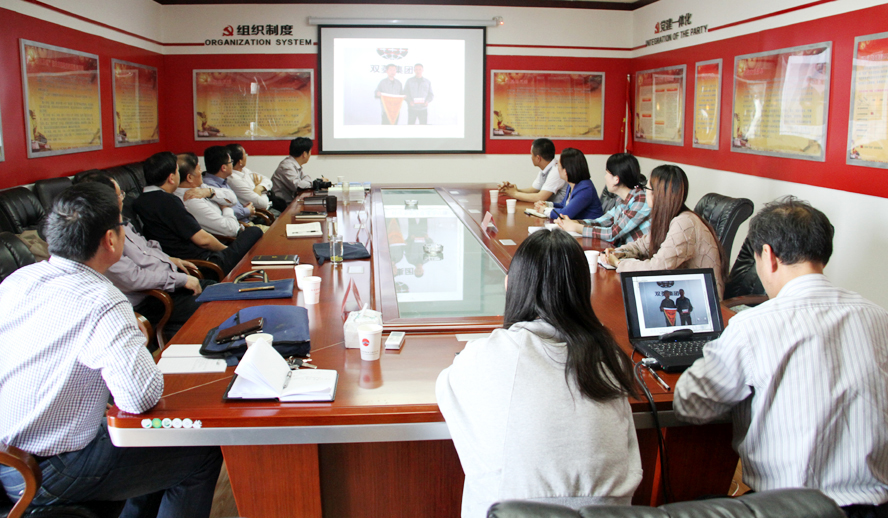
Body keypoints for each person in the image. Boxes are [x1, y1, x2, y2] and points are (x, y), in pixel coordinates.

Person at [0, 183, 222, 517]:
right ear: (110, 239)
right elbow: (139, 398)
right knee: (200, 448)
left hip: (9, 456)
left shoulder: (19, 280)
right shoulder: (102, 299)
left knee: (156, 444)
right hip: (46, 470)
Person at [674, 198, 888, 518]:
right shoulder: (879, 317)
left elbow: (690, 404)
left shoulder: (753, 325)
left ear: (769, 255)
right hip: (875, 508)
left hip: (788, 509)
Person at [436, 229, 642, 518]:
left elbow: (446, 387)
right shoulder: (611, 360)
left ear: (510, 286)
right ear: (584, 290)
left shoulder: (487, 355)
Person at [74, 171, 213, 341]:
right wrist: (180, 279)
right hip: (152, 298)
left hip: (168, 282)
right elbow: (132, 277)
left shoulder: (122, 222)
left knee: (220, 290)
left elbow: (148, 248)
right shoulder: (101, 240)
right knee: (217, 307)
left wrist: (170, 260)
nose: (122, 199)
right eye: (119, 195)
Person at [604, 164, 726, 297]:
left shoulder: (684, 223)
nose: (644, 192)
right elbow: (642, 245)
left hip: (702, 300)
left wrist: (619, 263)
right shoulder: (669, 218)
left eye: (646, 188)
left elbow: (657, 268)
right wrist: (618, 252)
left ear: (658, 194)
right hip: (681, 291)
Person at [134, 151, 262, 276]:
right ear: (171, 178)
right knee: (255, 231)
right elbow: (203, 240)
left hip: (191, 261)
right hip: (206, 264)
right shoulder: (168, 201)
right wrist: (228, 251)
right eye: (177, 172)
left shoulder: (140, 201)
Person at [557, 153, 651, 247]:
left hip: (638, 254)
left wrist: (576, 227)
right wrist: (575, 222)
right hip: (622, 250)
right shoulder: (621, 199)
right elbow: (602, 221)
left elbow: (612, 234)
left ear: (616, 179)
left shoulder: (640, 200)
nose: (605, 177)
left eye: (607, 173)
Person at [176, 153, 243, 238]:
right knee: (255, 231)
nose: (201, 172)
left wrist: (210, 192)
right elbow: (231, 230)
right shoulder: (191, 200)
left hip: (237, 227)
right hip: (229, 240)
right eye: (199, 169)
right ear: (190, 178)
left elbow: (233, 198)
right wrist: (226, 208)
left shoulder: (201, 188)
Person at [533, 148, 603, 221]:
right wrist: (546, 204)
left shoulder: (585, 189)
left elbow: (565, 214)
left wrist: (544, 210)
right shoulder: (572, 184)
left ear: (565, 170)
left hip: (589, 227)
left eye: (558, 165)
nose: (557, 168)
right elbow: (563, 205)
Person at [498, 138, 568, 204]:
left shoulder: (556, 171)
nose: (531, 157)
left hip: (558, 210)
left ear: (538, 158)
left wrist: (514, 194)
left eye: (531, 154)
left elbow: (540, 197)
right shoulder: (545, 169)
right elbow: (533, 190)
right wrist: (515, 190)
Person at [202, 145, 255, 224]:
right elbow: (224, 210)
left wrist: (242, 206)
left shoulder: (222, 180)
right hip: (240, 226)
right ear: (223, 168)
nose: (232, 165)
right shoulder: (210, 185)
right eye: (231, 162)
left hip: (246, 222)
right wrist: (247, 210)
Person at [272, 137, 326, 209]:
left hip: (291, 203)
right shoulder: (286, 166)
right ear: (304, 154)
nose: (310, 155)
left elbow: (306, 178)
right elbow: (298, 185)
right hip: (282, 207)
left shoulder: (294, 165)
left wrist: (315, 182)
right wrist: (316, 183)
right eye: (310, 151)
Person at [226, 143, 274, 211]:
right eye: (245, 154)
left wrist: (259, 188)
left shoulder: (244, 170)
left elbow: (267, 180)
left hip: (268, 207)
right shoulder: (233, 179)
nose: (246, 156)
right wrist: (263, 191)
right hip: (258, 213)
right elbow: (263, 204)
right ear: (240, 162)